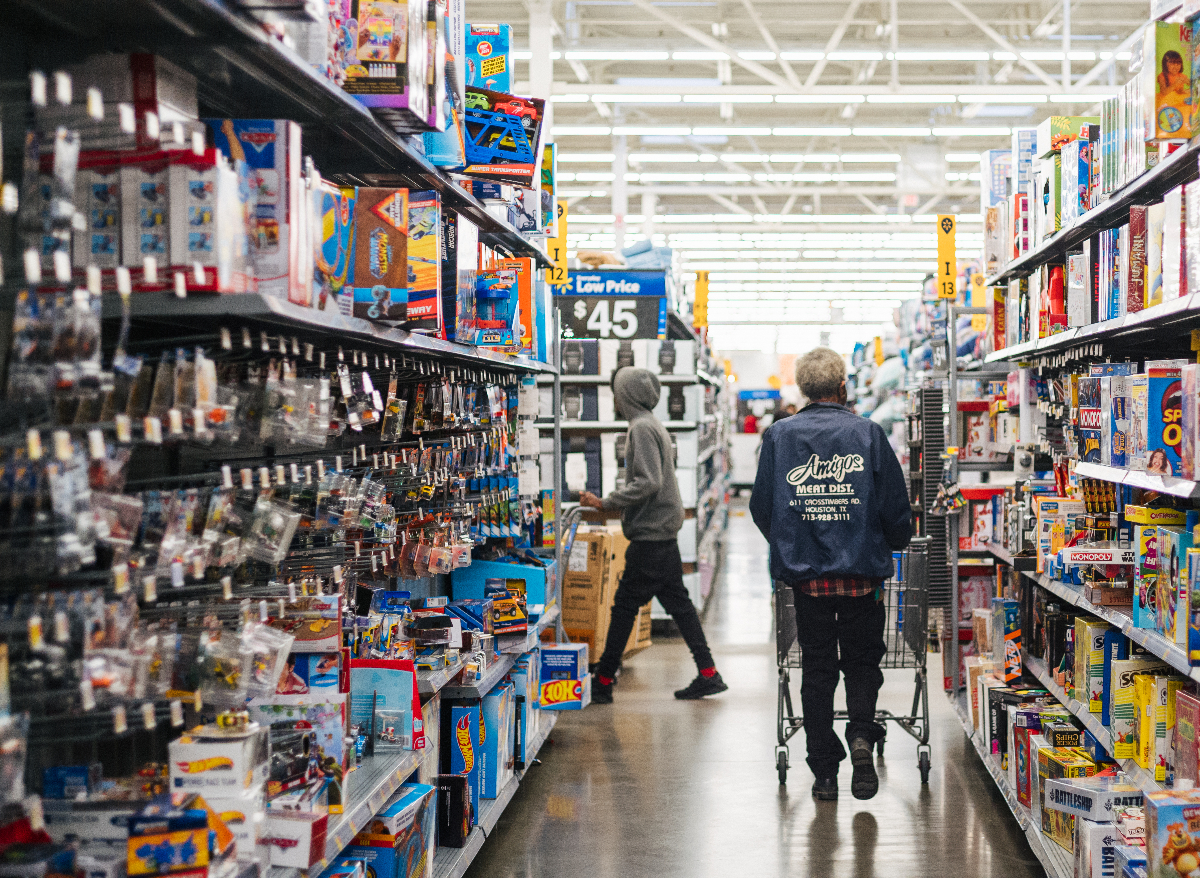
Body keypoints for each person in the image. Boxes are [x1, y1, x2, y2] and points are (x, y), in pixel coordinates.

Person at [749, 347, 911, 802]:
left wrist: (790, 543)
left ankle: (823, 770)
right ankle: (861, 734)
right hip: (862, 578)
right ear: (843, 387)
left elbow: (762, 507)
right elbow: (894, 507)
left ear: (803, 390)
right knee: (862, 664)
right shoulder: (869, 434)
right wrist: (891, 542)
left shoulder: (780, 437)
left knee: (817, 671)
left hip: (807, 583)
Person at [580, 367, 727, 704]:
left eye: (618, 391)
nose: (615, 398)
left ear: (626, 396)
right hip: (661, 534)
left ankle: (602, 681)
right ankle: (708, 674)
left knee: (625, 608)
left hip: (651, 538)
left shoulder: (642, 428)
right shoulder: (650, 424)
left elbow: (649, 482)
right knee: (679, 607)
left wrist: (605, 503)